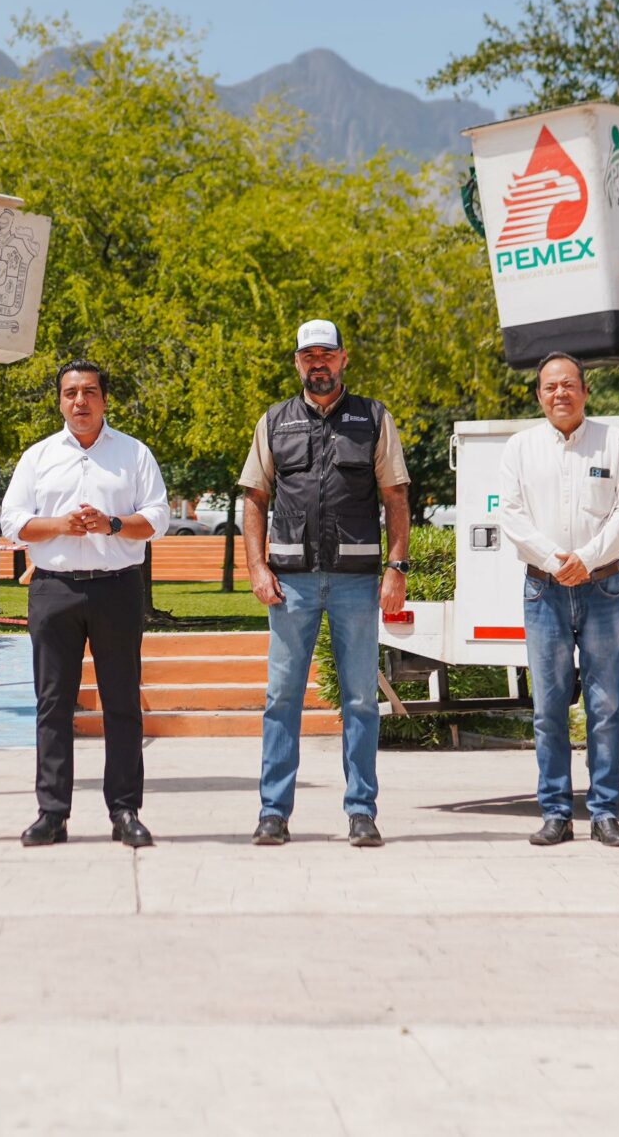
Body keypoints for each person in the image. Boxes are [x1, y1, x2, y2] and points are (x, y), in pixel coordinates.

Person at [240, 319, 411, 849]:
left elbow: (396, 499)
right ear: (297, 362)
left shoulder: (374, 418)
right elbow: (253, 499)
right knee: (281, 698)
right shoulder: (273, 422)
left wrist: (396, 569)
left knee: (361, 699)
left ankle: (361, 812)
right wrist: (256, 567)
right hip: (291, 584)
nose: (318, 363)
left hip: (357, 584)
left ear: (343, 359)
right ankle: (273, 813)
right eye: (308, 355)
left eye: (327, 355)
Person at [0, 360, 169, 848]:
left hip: (117, 587)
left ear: (104, 399)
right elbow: (13, 521)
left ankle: (125, 812)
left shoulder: (134, 454)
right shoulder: (38, 457)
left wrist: (112, 524)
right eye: (71, 393)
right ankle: (52, 813)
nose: (80, 401)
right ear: (59, 401)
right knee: (52, 704)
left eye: (90, 392)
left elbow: (156, 517)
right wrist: (60, 526)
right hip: (54, 589)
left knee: (121, 703)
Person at [499, 352, 619, 847]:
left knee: (606, 705)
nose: (560, 393)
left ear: (584, 391)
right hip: (543, 588)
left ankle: (604, 813)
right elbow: (512, 517)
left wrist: (585, 557)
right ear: (539, 395)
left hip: (603, 586)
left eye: (569, 385)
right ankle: (556, 813)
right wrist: (556, 560)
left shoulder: (615, 442)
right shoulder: (520, 448)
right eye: (550, 386)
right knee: (549, 708)